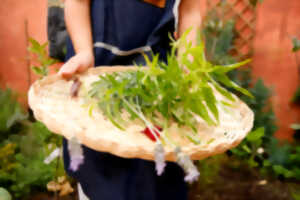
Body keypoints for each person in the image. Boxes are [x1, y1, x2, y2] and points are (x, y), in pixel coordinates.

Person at [58, 0, 202, 199]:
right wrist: (83, 52)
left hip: (154, 77)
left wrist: (187, 62)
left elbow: (190, 11)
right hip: (96, 70)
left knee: (154, 175)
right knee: (100, 176)